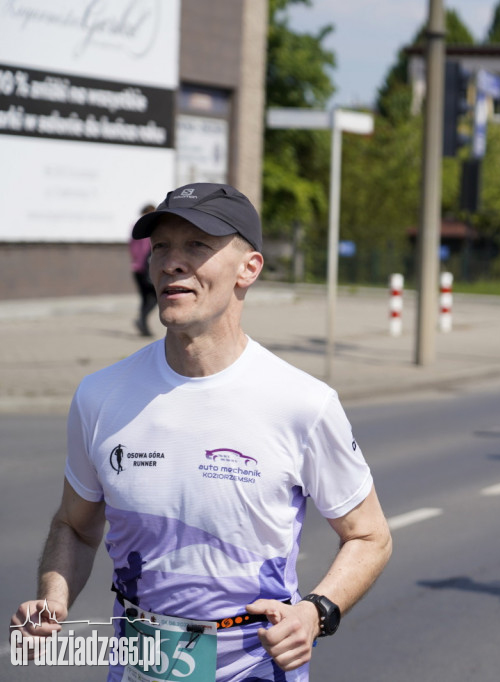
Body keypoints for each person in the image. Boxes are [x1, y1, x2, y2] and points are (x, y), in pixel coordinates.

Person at [9, 183, 393, 680]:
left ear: (248, 268)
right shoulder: (99, 395)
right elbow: (75, 526)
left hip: (255, 667)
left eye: (196, 246)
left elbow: (369, 536)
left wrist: (316, 611)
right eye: (162, 246)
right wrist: (53, 600)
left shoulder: (303, 403)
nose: (172, 262)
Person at [129, 204, 158, 337]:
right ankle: (142, 321)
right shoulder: (148, 229)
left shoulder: (135, 227)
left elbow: (132, 249)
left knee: (145, 299)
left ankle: (144, 326)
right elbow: (148, 251)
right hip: (146, 269)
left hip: (136, 268)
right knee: (154, 298)